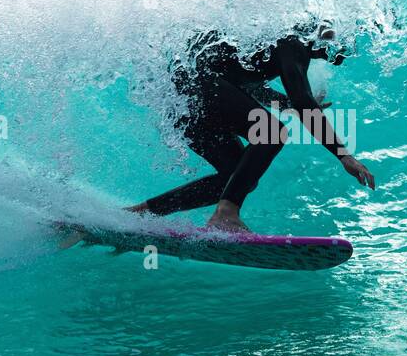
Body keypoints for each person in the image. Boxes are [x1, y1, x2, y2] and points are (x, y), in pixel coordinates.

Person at [128, 22, 375, 233]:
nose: (339, 53)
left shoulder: (266, 44)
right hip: (191, 88)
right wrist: (344, 155)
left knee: (236, 178)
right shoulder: (293, 43)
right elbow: (303, 103)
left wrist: (290, 104)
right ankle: (225, 216)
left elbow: (250, 86)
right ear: (322, 33)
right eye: (338, 43)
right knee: (270, 133)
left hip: (179, 99)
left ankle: (139, 214)